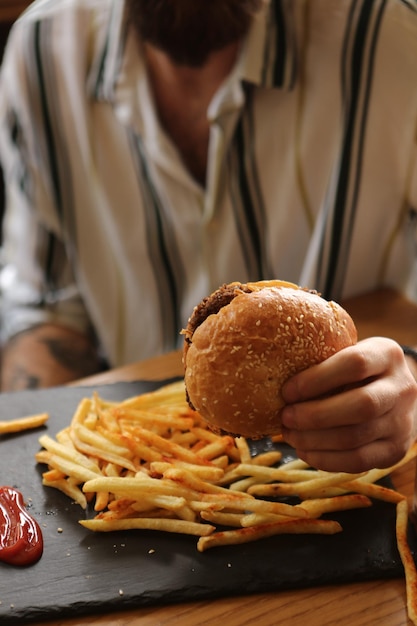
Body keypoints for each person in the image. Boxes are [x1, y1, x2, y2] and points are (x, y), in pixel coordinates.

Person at [0, 0, 416, 472]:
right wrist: (35, 462)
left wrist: (405, 389)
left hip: (339, 476)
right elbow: (46, 310)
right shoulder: (42, 54)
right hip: (138, 474)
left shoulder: (398, 41)